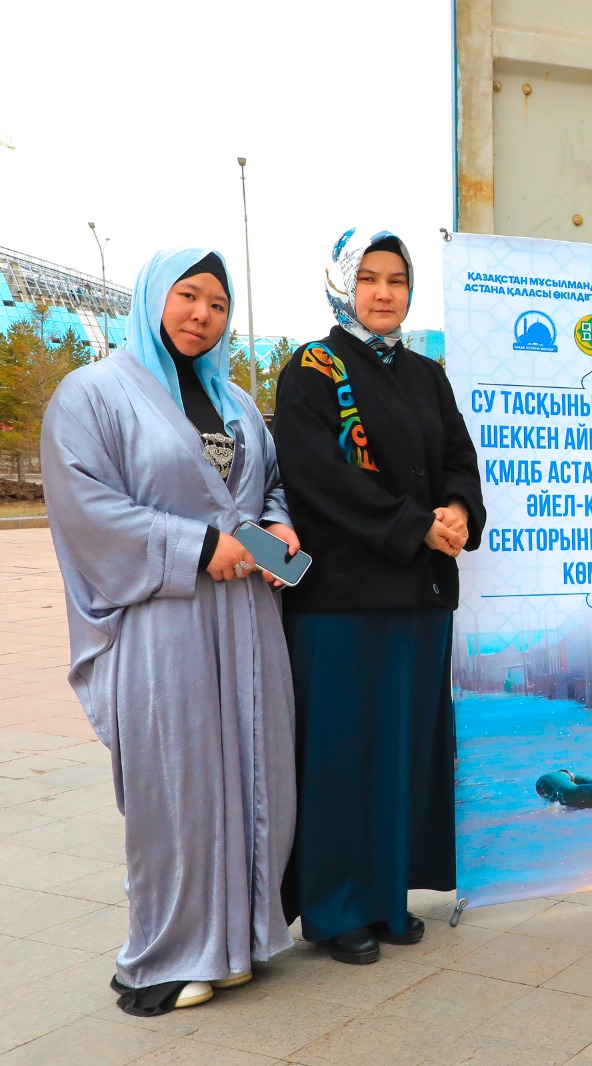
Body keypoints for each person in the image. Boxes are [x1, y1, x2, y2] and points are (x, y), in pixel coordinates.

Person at [41, 248, 298, 1015]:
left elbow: (266, 490)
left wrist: (278, 540)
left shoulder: (237, 401)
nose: (202, 316)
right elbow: (86, 506)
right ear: (154, 298)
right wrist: (195, 549)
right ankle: (167, 953)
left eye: (218, 304)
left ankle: (243, 938)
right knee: (179, 787)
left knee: (257, 775)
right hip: (166, 624)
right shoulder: (93, 394)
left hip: (248, 621)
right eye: (188, 296)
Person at [273, 226, 484, 965]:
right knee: (341, 757)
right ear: (342, 285)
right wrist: (415, 526)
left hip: (418, 599)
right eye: (369, 278)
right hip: (341, 602)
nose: (384, 292)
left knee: (403, 753)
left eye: (396, 279)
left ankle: (387, 896)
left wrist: (458, 509)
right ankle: (335, 912)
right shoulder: (314, 368)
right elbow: (318, 478)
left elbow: (459, 457)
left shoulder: (426, 375)